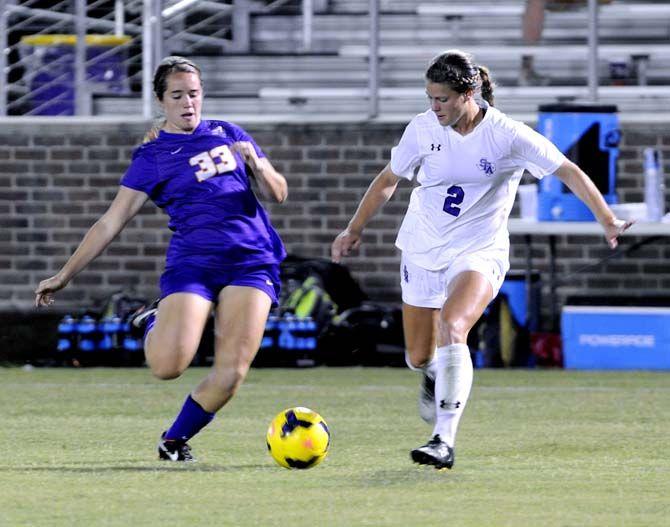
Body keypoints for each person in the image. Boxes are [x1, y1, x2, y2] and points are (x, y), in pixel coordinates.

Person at [331, 49, 631, 470]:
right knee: (418, 355)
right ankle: (433, 373)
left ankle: (443, 439)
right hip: (422, 249)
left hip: (478, 250)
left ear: (468, 94)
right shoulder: (421, 129)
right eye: (430, 98)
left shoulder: (508, 134)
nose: (434, 108)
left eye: (442, 99)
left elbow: (568, 170)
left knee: (452, 326)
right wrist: (354, 229)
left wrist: (607, 219)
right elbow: (388, 180)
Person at [35, 56, 288, 462]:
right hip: (194, 264)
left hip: (252, 261)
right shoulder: (152, 156)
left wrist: (256, 163)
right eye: (177, 96)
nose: (188, 103)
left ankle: (173, 440)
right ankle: (153, 321)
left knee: (232, 374)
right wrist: (65, 274)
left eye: (194, 93)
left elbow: (278, 192)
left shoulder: (229, 133)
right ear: (160, 100)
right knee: (167, 366)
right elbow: (110, 221)